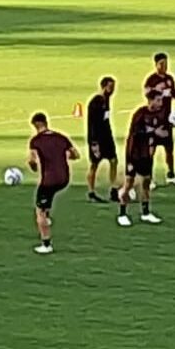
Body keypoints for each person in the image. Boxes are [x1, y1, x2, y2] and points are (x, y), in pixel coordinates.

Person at [27, 112, 79, 255]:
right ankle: (48, 218)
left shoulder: (35, 141)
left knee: (40, 211)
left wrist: (33, 166)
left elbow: (32, 161)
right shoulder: (61, 137)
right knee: (48, 197)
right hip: (64, 178)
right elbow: (76, 154)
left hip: (49, 179)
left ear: (36, 125)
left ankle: (46, 244)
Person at [117, 91, 164, 226]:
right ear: (151, 101)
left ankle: (145, 213)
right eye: (158, 100)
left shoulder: (158, 115)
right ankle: (122, 213)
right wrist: (154, 132)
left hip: (146, 154)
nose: (160, 103)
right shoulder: (140, 114)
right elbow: (136, 133)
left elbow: (157, 133)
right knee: (129, 183)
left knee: (146, 183)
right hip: (134, 153)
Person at [144, 53, 175, 186]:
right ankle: (150, 178)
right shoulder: (151, 80)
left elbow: (174, 93)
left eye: (166, 63)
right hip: (154, 120)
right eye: (161, 64)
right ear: (156, 64)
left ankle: (171, 175)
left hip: (166, 119)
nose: (164, 66)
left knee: (169, 149)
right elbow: (148, 96)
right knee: (151, 150)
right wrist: (159, 93)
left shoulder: (170, 79)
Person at [85, 77, 119, 203]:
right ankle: (91, 192)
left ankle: (113, 189)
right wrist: (94, 143)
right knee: (94, 164)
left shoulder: (107, 100)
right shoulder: (96, 102)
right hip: (97, 139)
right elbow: (92, 124)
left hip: (106, 137)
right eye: (111, 87)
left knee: (114, 161)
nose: (112, 90)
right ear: (104, 86)